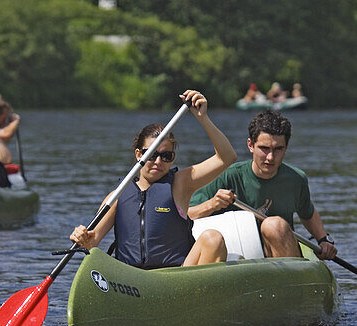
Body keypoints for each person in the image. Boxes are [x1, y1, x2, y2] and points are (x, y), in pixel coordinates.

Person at [69, 89, 236, 269]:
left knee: (213, 239)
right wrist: (81, 236)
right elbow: (91, 242)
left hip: (176, 277)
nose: (158, 161)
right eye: (152, 154)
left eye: (166, 156)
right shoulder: (117, 196)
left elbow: (226, 157)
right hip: (132, 282)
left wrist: (202, 118)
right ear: (138, 154)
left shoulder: (181, 183)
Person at [186, 110, 337, 260]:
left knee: (273, 225)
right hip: (241, 255)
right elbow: (186, 215)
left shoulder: (297, 179)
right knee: (272, 224)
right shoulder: (227, 176)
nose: (271, 157)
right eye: (264, 149)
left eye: (278, 149)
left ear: (286, 148)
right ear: (251, 145)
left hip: (282, 251)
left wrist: (323, 240)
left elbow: (307, 212)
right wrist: (212, 205)